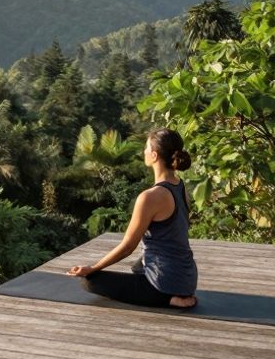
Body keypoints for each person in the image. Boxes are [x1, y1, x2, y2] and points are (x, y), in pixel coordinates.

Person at [66, 128, 198, 308]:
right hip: (187, 278)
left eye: (146, 148)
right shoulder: (180, 187)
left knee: (89, 281)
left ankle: (170, 299)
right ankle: (177, 293)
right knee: (138, 266)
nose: (143, 151)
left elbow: (127, 246)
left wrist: (93, 268)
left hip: (165, 281)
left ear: (154, 155)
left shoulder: (150, 197)